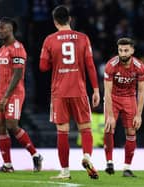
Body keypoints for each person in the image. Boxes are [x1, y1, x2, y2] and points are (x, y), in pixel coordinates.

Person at [39, 5, 100, 180]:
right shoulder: (83, 38)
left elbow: (43, 67)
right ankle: (87, 156)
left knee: (62, 131)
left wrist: (53, 61)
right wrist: (95, 89)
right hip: (79, 89)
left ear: (55, 22)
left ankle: (65, 171)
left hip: (59, 91)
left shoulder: (50, 40)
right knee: (85, 128)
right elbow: (90, 65)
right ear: (70, 19)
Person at [0, 17, 42, 172]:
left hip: (14, 93)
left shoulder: (18, 48)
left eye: (3, 28)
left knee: (12, 125)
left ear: (11, 29)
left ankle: (35, 155)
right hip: (1, 93)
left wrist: (6, 95)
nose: (0, 31)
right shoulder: (1, 50)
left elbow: (18, 73)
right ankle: (8, 165)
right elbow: (1, 76)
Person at [103, 38, 144, 177]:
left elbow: (141, 91)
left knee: (131, 132)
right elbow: (107, 92)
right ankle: (109, 163)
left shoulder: (140, 67)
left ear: (132, 51)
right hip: (113, 98)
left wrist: (139, 114)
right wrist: (109, 115)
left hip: (129, 99)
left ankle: (127, 168)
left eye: (126, 50)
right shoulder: (111, 65)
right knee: (109, 127)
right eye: (120, 50)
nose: (123, 53)